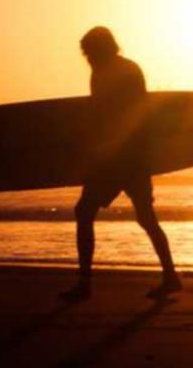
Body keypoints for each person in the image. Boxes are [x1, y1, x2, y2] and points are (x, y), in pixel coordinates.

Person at [60, 27, 182, 301]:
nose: (87, 58)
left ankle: (84, 284)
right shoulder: (106, 71)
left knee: (85, 212)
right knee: (145, 218)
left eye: (90, 52)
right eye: (85, 54)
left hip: (121, 159)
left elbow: (131, 116)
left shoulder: (123, 72)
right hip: (131, 159)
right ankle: (171, 276)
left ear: (103, 49)